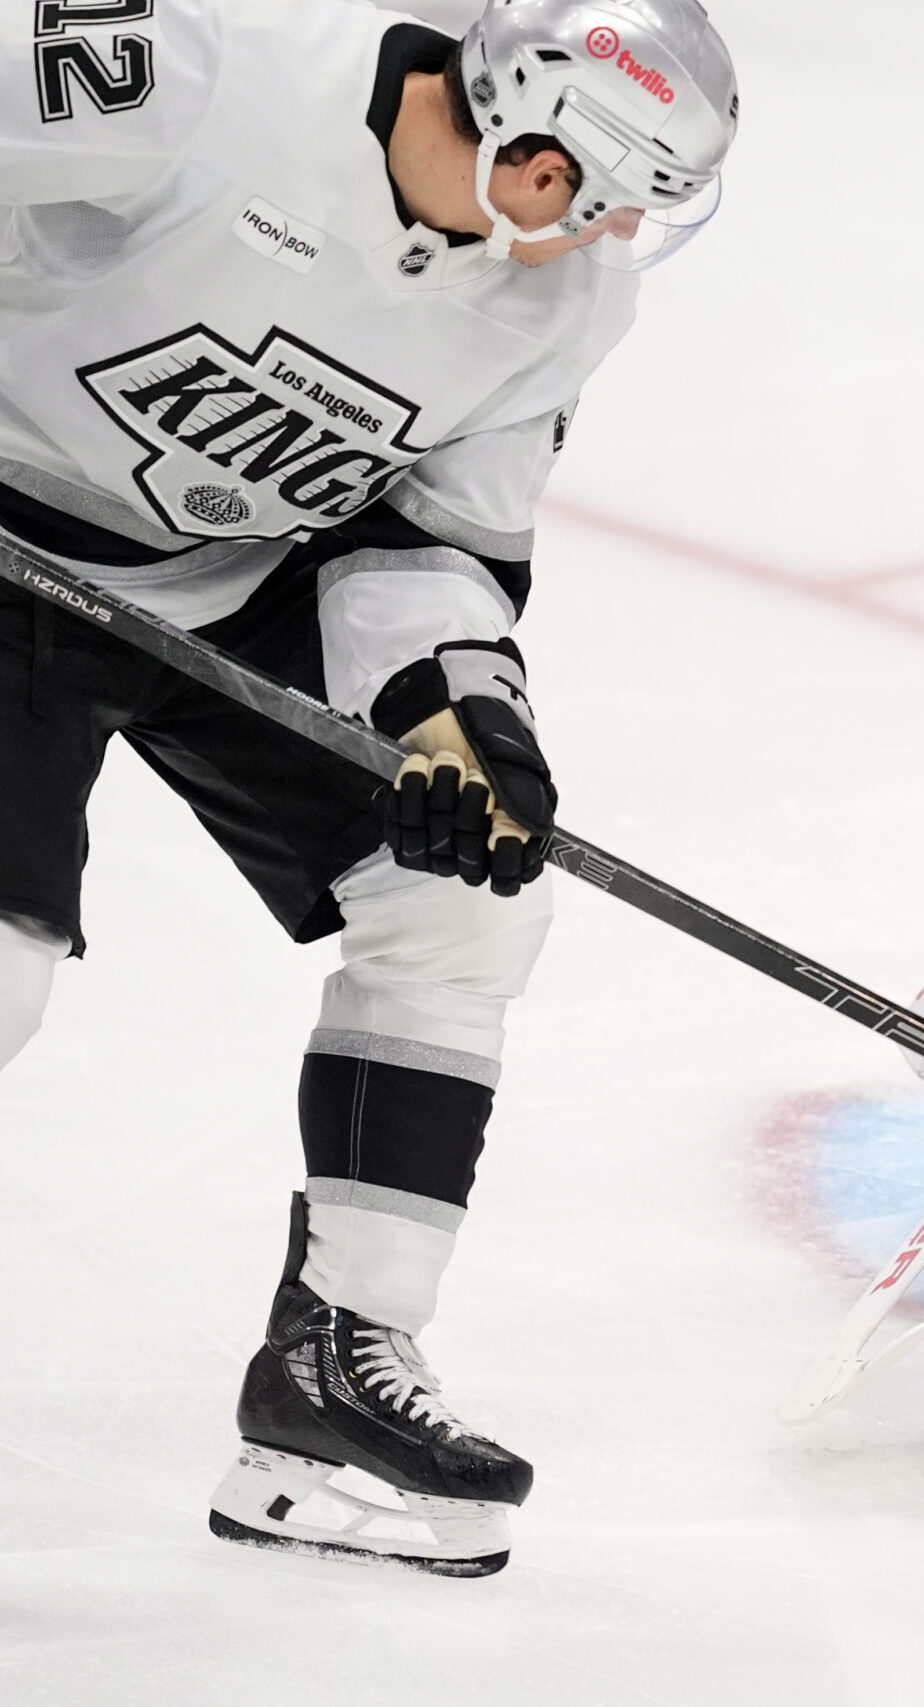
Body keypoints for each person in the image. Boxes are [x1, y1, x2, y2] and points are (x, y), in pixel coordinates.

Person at [0, 0, 736, 1575]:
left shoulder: (561, 300)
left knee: (463, 895)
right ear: (533, 142)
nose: (612, 230)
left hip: (226, 573)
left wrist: (458, 720)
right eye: (601, 191)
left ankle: (332, 1368)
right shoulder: (198, 73)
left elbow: (432, 539)